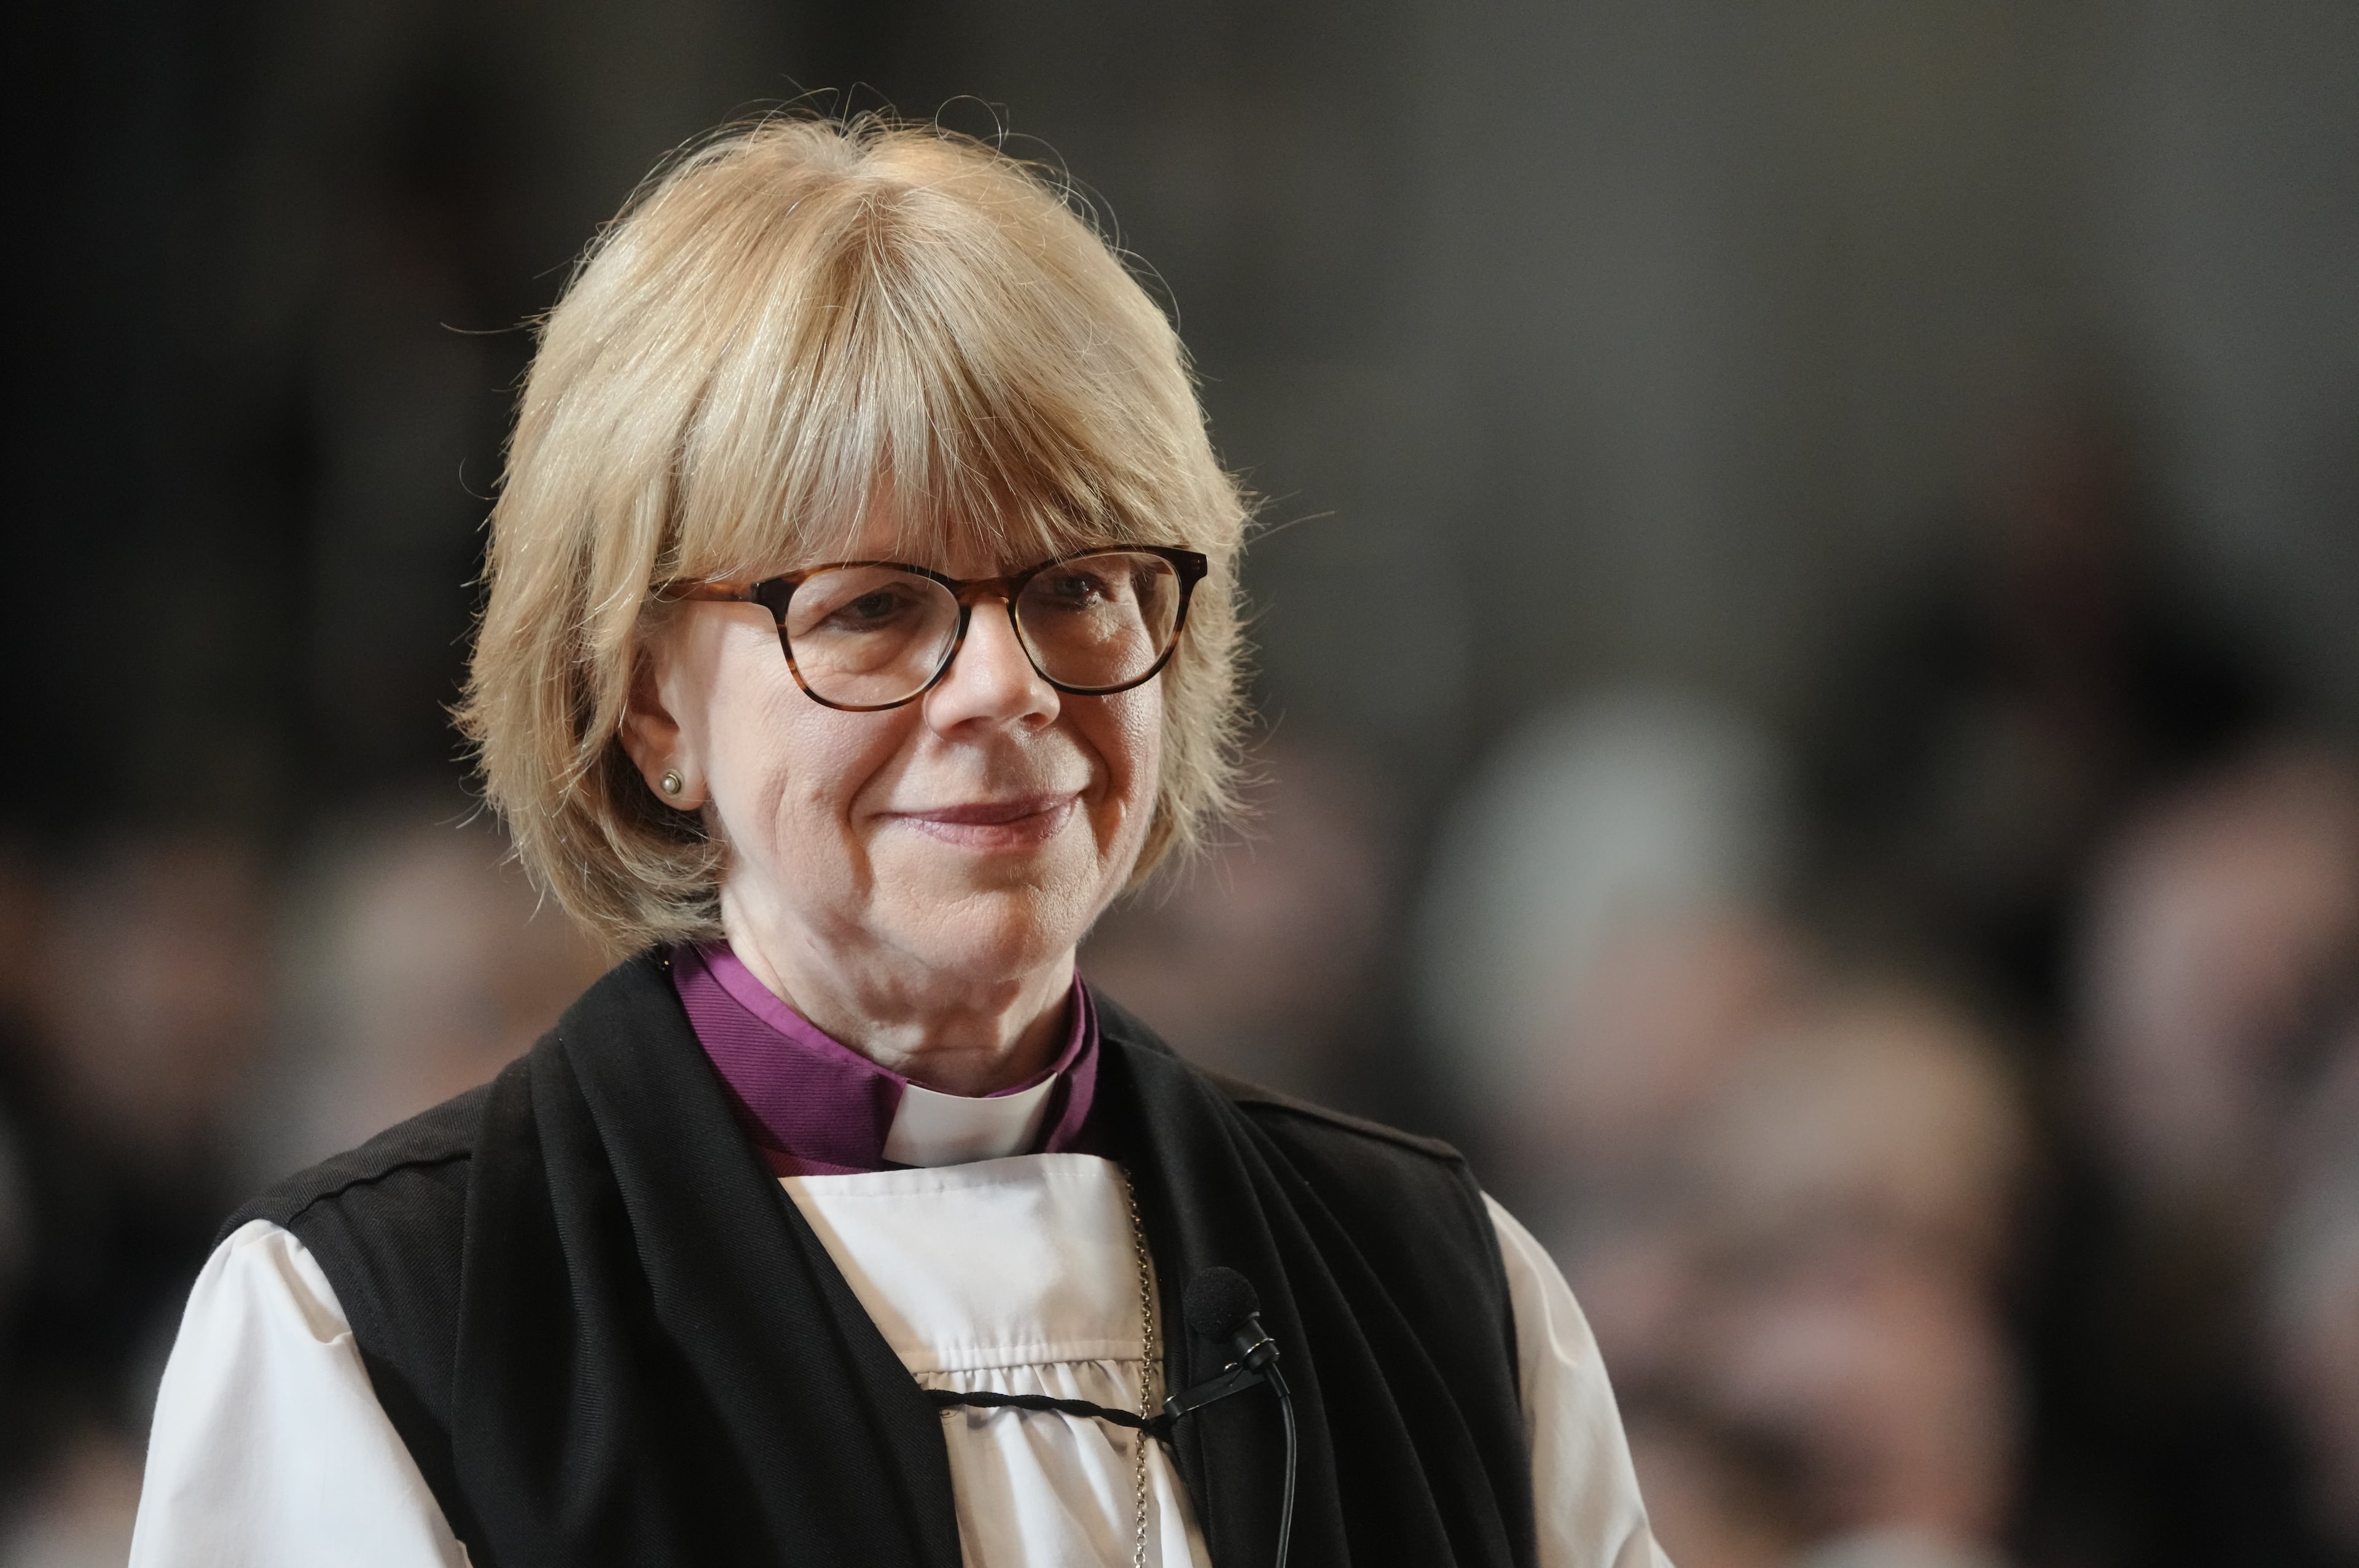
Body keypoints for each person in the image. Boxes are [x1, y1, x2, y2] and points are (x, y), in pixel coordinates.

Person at [126, 114, 1668, 1567]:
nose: (1009, 684)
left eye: (1080, 584)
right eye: (873, 604)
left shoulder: (1442, 1289)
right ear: (649, 703)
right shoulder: (378, 1324)